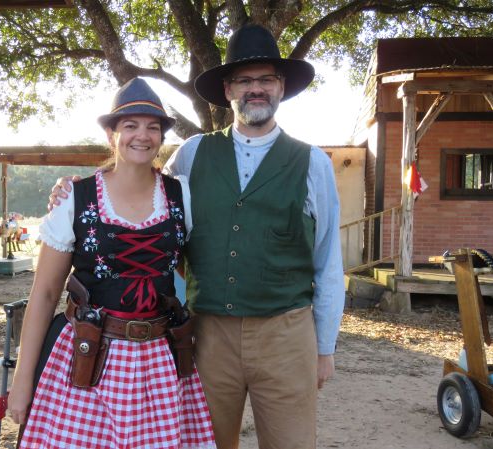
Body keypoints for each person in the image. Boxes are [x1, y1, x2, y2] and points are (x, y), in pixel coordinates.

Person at [49, 24, 344, 449]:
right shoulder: (192, 154)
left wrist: (324, 347)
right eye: (244, 80)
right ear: (228, 90)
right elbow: (142, 195)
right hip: (207, 336)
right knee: (203, 442)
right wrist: (77, 190)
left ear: (281, 87)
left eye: (265, 79)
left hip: (286, 334)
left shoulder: (313, 163)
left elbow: (328, 260)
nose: (255, 89)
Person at [8, 77, 216, 449]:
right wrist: (23, 380)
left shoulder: (180, 194)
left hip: (159, 359)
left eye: (153, 127)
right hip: (87, 356)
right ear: (111, 134)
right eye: (130, 125)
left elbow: (194, 266)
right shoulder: (76, 197)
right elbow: (45, 293)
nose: (143, 135)